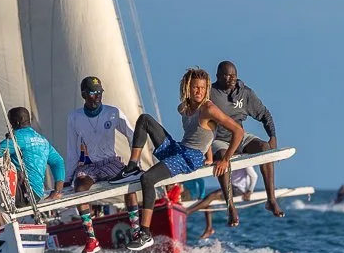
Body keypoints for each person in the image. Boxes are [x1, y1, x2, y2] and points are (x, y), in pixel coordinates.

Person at [109, 67, 245, 236]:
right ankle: (132, 167)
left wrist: (225, 159)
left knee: (148, 178)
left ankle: (144, 233)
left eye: (203, 88)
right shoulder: (183, 108)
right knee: (144, 120)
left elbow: (238, 131)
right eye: (196, 87)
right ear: (187, 87)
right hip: (179, 149)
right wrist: (209, 156)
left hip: (190, 157)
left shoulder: (208, 108)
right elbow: (204, 133)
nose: (199, 91)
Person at [210, 61, 284, 217]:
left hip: (241, 136)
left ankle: (271, 200)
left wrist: (272, 136)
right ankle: (231, 207)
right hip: (219, 139)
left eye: (234, 75)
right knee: (222, 157)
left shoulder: (244, 93)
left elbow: (265, 114)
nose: (231, 79)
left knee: (264, 147)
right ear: (217, 76)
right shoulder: (210, 93)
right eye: (227, 75)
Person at [64, 76, 134, 188]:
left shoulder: (113, 112)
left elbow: (132, 136)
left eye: (99, 92)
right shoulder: (74, 117)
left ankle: (136, 206)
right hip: (88, 166)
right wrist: (68, 178)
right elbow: (72, 150)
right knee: (79, 186)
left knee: (128, 181)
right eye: (93, 93)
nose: (97, 97)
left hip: (110, 161)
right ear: (84, 95)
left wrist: (135, 163)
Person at [0, 106, 64, 205]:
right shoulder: (42, 140)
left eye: (9, 122)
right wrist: (57, 191)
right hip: (37, 194)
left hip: (25, 194)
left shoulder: (16, 138)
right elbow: (58, 162)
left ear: (16, 123)